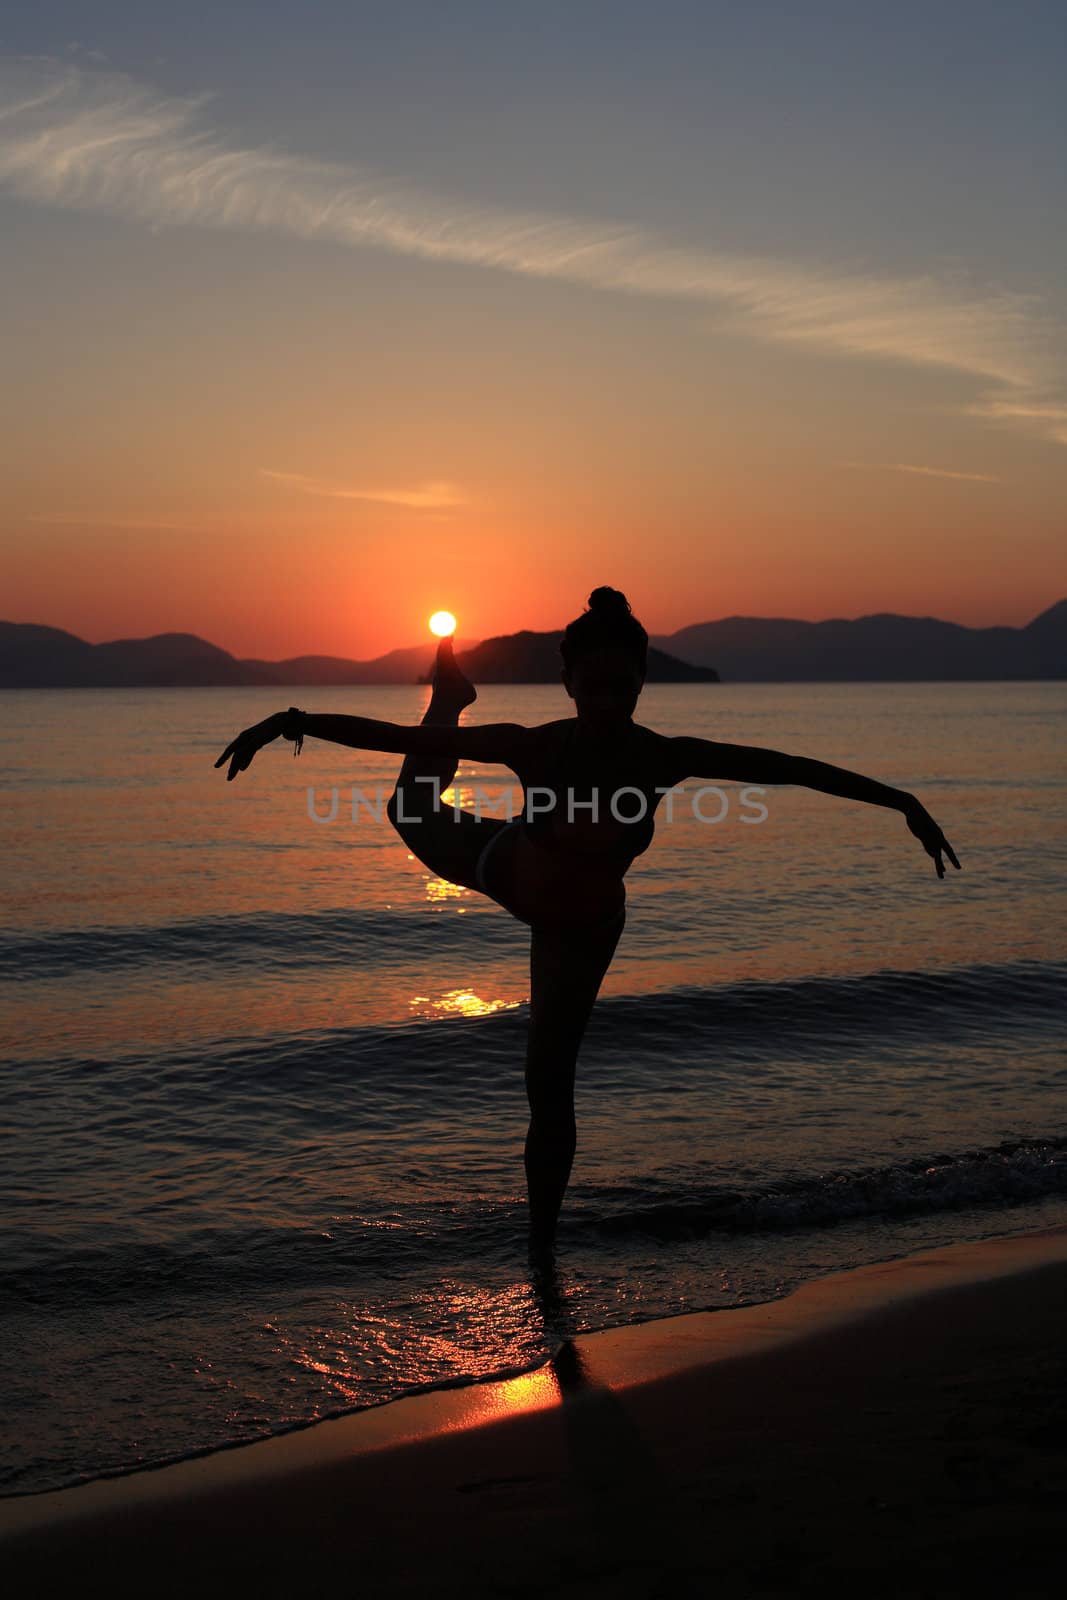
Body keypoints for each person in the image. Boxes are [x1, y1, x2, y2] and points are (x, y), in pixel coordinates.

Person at [214, 586, 960, 1255]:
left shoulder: (664, 757)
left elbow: (788, 766)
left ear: (640, 682)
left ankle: (541, 1246)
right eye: (592, 685)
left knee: (548, 1079)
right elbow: (399, 740)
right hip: (506, 864)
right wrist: (293, 719)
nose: (606, 700)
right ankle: (449, 693)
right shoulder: (535, 745)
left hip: (584, 925)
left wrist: (900, 800)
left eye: (621, 686)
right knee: (409, 806)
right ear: (568, 681)